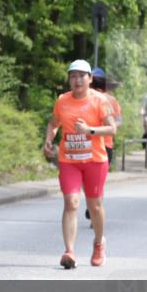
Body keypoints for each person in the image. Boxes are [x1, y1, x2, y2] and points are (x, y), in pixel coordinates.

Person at [43, 60, 116, 269]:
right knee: (71, 203)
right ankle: (69, 251)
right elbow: (53, 123)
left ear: (90, 79)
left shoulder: (100, 101)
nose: (77, 80)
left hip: (95, 160)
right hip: (69, 161)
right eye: (73, 76)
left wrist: (90, 131)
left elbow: (112, 129)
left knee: (95, 206)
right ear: (69, 79)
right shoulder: (62, 101)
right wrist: (49, 139)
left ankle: (99, 243)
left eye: (82, 76)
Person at [85, 68, 122, 224]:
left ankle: (93, 209)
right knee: (94, 181)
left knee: (93, 181)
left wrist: (108, 127)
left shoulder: (110, 100)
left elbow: (118, 121)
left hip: (104, 145)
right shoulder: (83, 99)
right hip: (86, 145)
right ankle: (93, 208)